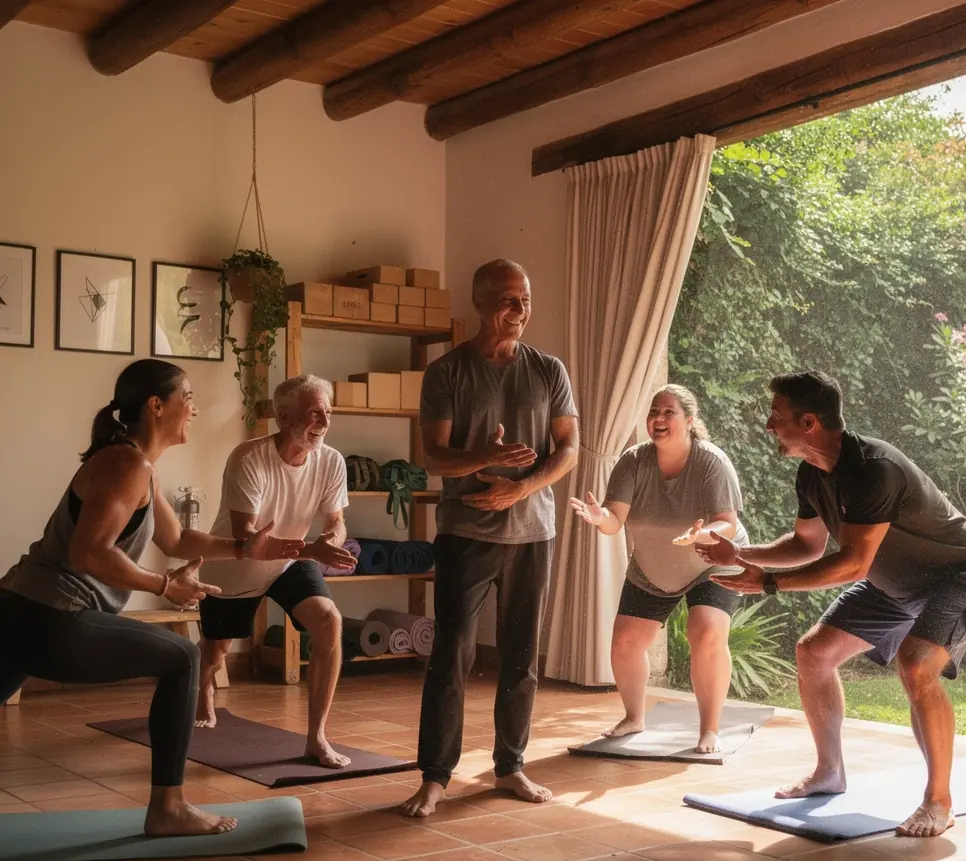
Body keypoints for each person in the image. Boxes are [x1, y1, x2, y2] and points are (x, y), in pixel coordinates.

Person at [0, 359, 303, 836]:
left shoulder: (137, 464)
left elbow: (177, 539)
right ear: (156, 406)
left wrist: (245, 546)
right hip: (53, 614)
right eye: (189, 399)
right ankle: (168, 808)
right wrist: (165, 586)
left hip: (16, 608)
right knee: (184, 658)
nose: (195, 410)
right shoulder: (128, 463)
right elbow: (88, 553)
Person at [699, 370, 966, 837]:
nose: (767, 425)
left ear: (808, 423)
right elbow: (806, 546)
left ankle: (939, 801)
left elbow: (853, 564)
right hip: (895, 582)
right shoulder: (812, 474)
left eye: (775, 416)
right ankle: (829, 771)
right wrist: (739, 554)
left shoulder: (873, 470)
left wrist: (770, 584)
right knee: (814, 653)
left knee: (917, 664)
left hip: (961, 575)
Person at [400, 258, 579, 818]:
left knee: (521, 655)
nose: (518, 310)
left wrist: (519, 488)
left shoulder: (549, 370)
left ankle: (509, 766)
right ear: (478, 304)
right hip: (464, 532)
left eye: (524, 299)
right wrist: (488, 459)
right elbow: (432, 456)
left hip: (531, 532)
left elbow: (568, 449)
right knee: (451, 654)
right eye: (506, 300)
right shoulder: (446, 371)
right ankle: (435, 776)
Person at [570, 384, 748, 751]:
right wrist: (598, 516)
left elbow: (726, 524)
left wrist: (702, 535)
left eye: (668, 412)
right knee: (625, 642)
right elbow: (613, 520)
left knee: (706, 631)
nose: (658, 419)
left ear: (690, 420)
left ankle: (710, 730)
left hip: (710, 560)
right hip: (654, 566)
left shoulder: (711, 461)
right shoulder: (633, 461)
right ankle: (633, 718)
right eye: (654, 412)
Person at [197, 374, 357, 768]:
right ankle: (202, 690)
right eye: (313, 413)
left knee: (328, 623)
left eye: (327, 413)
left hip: (290, 561)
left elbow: (336, 521)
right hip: (238, 564)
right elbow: (247, 538)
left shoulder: (332, 461)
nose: (322, 422)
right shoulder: (249, 457)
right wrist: (312, 547)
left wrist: (330, 541)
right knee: (216, 651)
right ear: (284, 417)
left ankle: (316, 737)